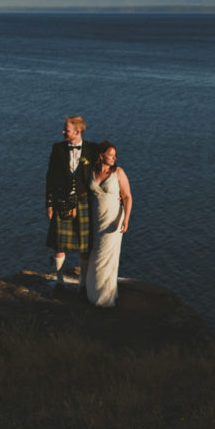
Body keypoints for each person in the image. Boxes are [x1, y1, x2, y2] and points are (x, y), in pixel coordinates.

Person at [45, 115, 94, 292]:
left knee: (84, 245)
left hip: (83, 202)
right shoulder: (57, 149)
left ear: (78, 131)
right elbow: (50, 176)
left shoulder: (92, 149)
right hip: (61, 200)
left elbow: (107, 169)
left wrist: (118, 195)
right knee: (59, 244)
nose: (62, 132)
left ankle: (83, 284)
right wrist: (49, 203)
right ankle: (59, 282)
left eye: (66, 130)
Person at [85, 141, 132, 308]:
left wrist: (126, 219)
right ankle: (92, 294)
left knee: (107, 259)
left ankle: (104, 299)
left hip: (113, 221)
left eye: (115, 155)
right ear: (101, 155)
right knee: (95, 257)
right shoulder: (91, 171)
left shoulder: (118, 172)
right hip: (95, 220)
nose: (114, 158)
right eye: (111, 154)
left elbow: (127, 197)